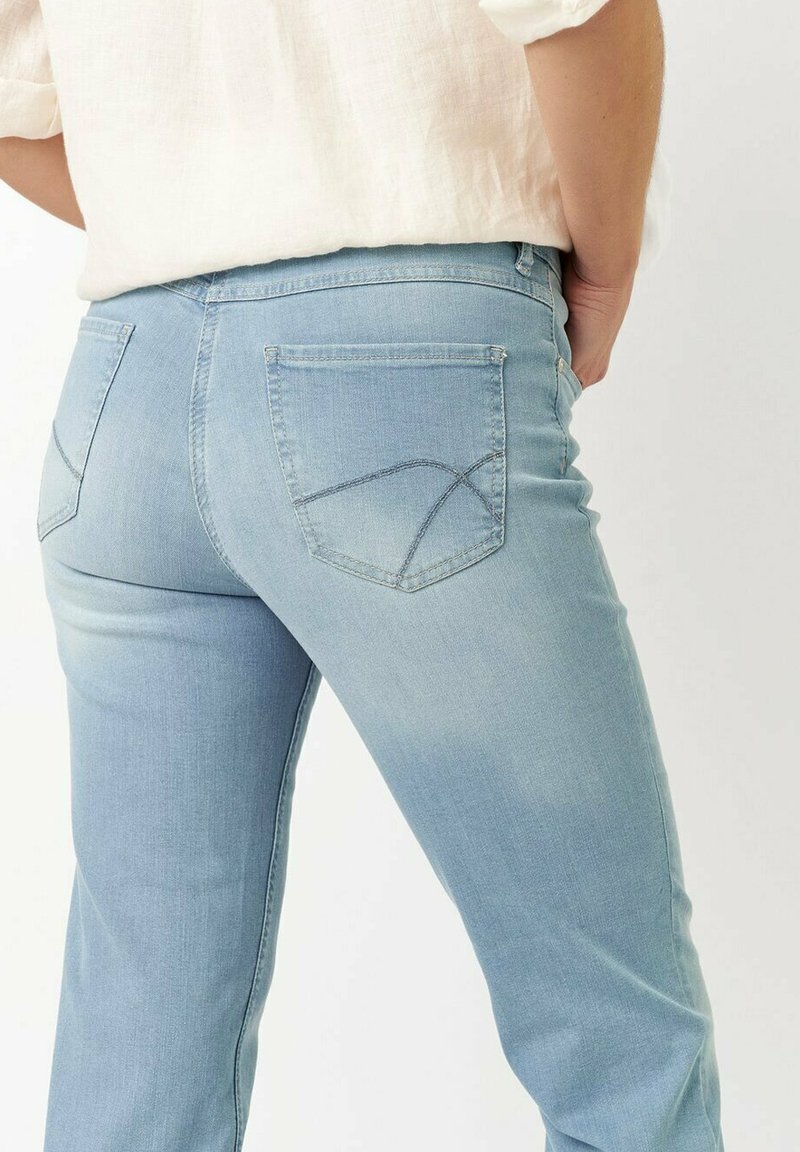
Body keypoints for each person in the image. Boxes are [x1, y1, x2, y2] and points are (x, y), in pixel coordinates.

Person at [0, 2, 725, 1149]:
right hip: (400, 358)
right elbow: (581, 9)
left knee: (142, 1036)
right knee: (618, 1039)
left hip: (125, 402)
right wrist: (606, 267)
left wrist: (198, 205)